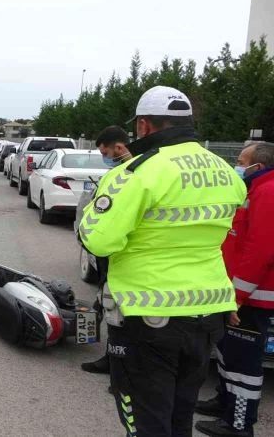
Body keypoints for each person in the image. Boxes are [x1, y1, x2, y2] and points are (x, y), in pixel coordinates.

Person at [79, 86, 247, 437]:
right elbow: (213, 243)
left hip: (150, 316)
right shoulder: (226, 171)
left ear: (143, 126)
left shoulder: (137, 173)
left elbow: (99, 240)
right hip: (208, 312)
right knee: (179, 415)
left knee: (145, 421)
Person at [194, 142, 274, 437]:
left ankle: (239, 424)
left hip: (251, 298)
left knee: (244, 363)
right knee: (228, 352)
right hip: (237, 294)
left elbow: (261, 251)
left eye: (241, 161)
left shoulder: (268, 191)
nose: (237, 165)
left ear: (259, 165)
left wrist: (237, 297)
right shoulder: (255, 189)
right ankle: (225, 401)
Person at [80, 125, 132, 376]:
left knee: (115, 312)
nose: (105, 158)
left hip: (122, 258)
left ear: (119, 147)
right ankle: (107, 355)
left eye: (105, 152)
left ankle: (117, 367)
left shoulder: (133, 176)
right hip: (109, 257)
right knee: (104, 303)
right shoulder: (123, 173)